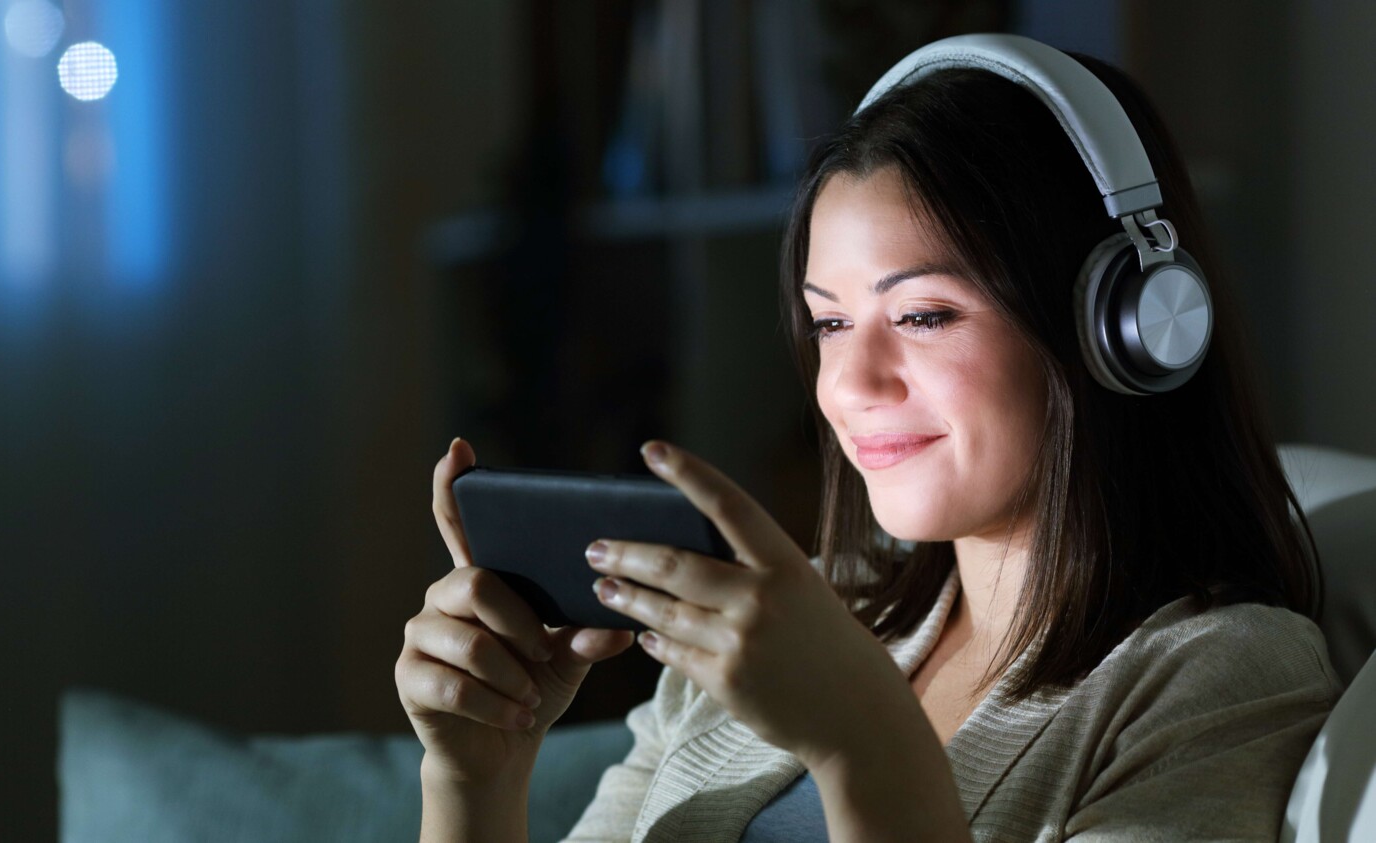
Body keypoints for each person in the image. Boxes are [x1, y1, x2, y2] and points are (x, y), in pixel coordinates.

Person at [395, 34, 1340, 842]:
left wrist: (859, 738)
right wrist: (477, 778)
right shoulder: (786, 623)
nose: (848, 384)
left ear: (1126, 326)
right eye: (830, 323)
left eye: (924, 315)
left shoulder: (1223, 678)